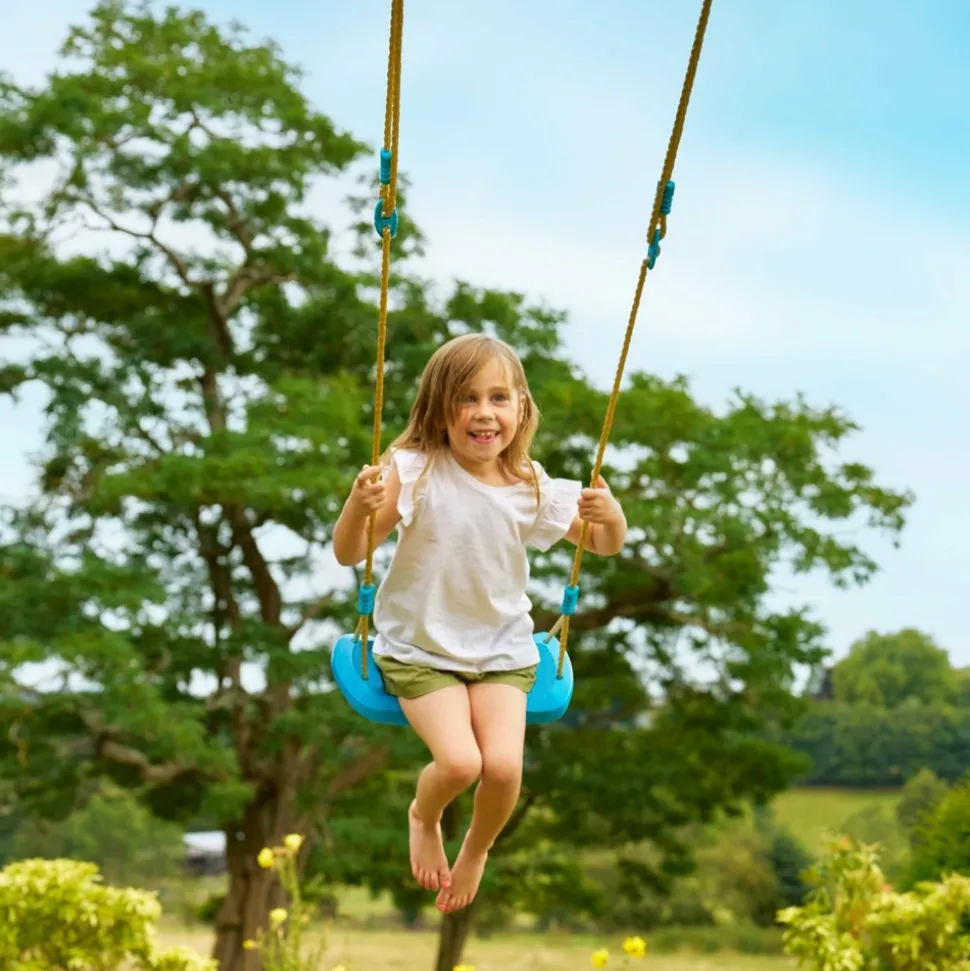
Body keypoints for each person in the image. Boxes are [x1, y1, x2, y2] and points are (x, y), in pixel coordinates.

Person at [332, 333, 627, 914]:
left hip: (502, 651)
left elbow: (601, 543)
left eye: (498, 398)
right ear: (439, 409)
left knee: (504, 768)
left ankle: (477, 848)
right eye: (467, 398)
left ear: (521, 407)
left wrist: (612, 516)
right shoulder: (414, 471)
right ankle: (424, 816)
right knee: (461, 763)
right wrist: (356, 507)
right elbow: (350, 551)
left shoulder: (530, 486)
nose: (484, 412)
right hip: (421, 650)